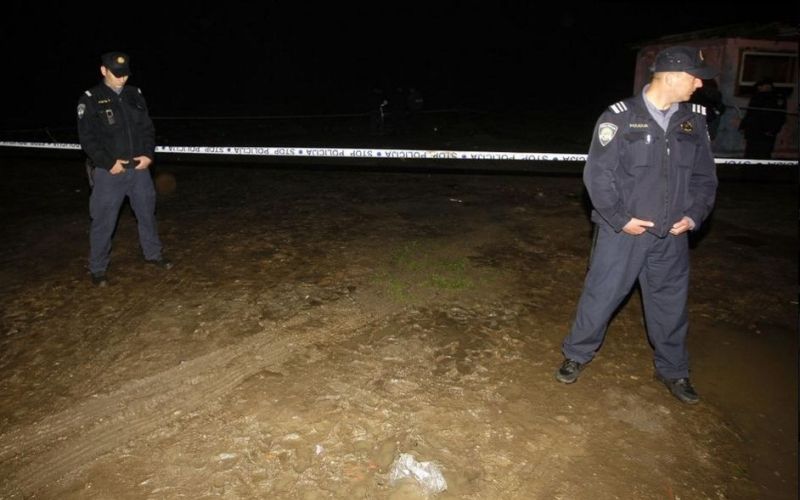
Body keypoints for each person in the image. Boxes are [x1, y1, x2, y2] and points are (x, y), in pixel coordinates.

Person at [554, 46, 719, 405]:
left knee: (670, 304)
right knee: (602, 294)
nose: (699, 84)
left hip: (671, 234)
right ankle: (576, 355)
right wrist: (620, 218)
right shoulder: (621, 117)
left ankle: (673, 370)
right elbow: (598, 176)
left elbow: (705, 178)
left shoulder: (693, 121)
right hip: (624, 233)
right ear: (673, 77)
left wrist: (693, 215)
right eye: (695, 77)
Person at [77, 51, 172, 286]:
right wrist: (109, 163)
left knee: (147, 214)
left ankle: (153, 254)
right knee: (103, 221)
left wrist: (148, 155)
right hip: (109, 172)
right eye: (116, 74)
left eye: (125, 74)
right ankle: (98, 268)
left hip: (139, 170)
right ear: (103, 71)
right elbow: (87, 139)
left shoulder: (135, 94)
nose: (122, 78)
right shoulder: (90, 98)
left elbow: (147, 128)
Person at [738, 78, 787, 159]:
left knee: (763, 154)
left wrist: (772, 130)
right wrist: (743, 126)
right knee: (751, 154)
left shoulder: (776, 98)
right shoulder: (757, 97)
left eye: (761, 86)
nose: (759, 88)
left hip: (765, 132)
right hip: (754, 131)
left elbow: (780, 116)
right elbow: (750, 113)